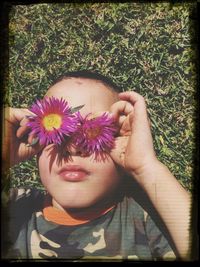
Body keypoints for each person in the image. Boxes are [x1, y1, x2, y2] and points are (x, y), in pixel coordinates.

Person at [2, 70, 191, 261]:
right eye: (57, 134)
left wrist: (145, 168)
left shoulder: (149, 216)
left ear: (122, 141)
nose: (74, 148)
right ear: (34, 141)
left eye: (95, 131)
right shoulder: (15, 207)